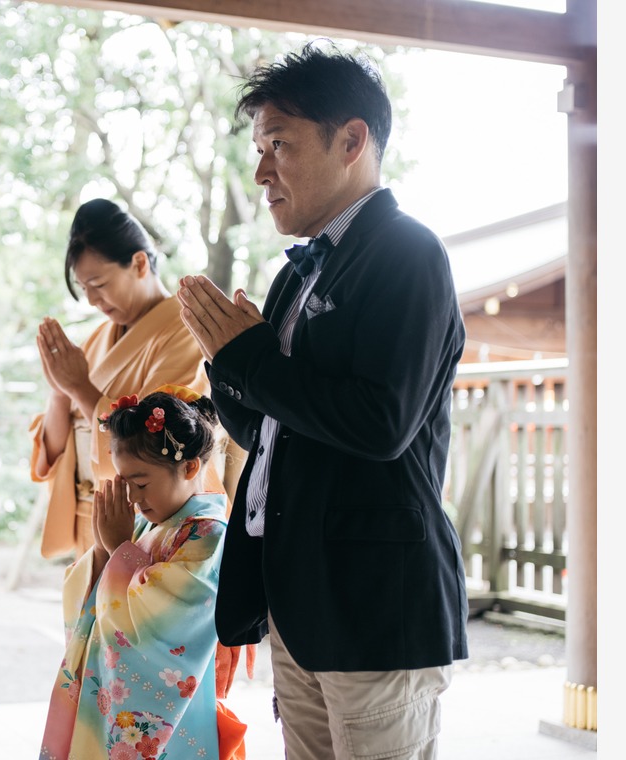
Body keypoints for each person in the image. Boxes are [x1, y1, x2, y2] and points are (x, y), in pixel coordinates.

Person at [176, 40, 469, 759]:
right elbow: (267, 426)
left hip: (374, 606)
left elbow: (380, 422)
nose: (261, 170)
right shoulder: (294, 276)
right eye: (258, 146)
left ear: (352, 141)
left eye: (279, 143)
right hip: (300, 602)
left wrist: (248, 357)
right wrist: (226, 365)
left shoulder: (408, 252)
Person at [39, 387, 247, 760]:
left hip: (170, 711)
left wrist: (120, 548)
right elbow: (94, 599)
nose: (132, 498)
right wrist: (107, 548)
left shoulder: (208, 534)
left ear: (190, 467)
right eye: (124, 483)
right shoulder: (147, 525)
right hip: (106, 689)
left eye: (141, 483)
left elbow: (166, 624)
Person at [31, 198, 235, 560]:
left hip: (149, 524)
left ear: (139, 263)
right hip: (91, 517)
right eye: (84, 288)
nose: (93, 299)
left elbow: (164, 440)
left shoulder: (186, 331)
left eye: (98, 283)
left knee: (139, 612)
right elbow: (56, 450)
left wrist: (79, 386)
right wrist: (60, 392)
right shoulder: (96, 339)